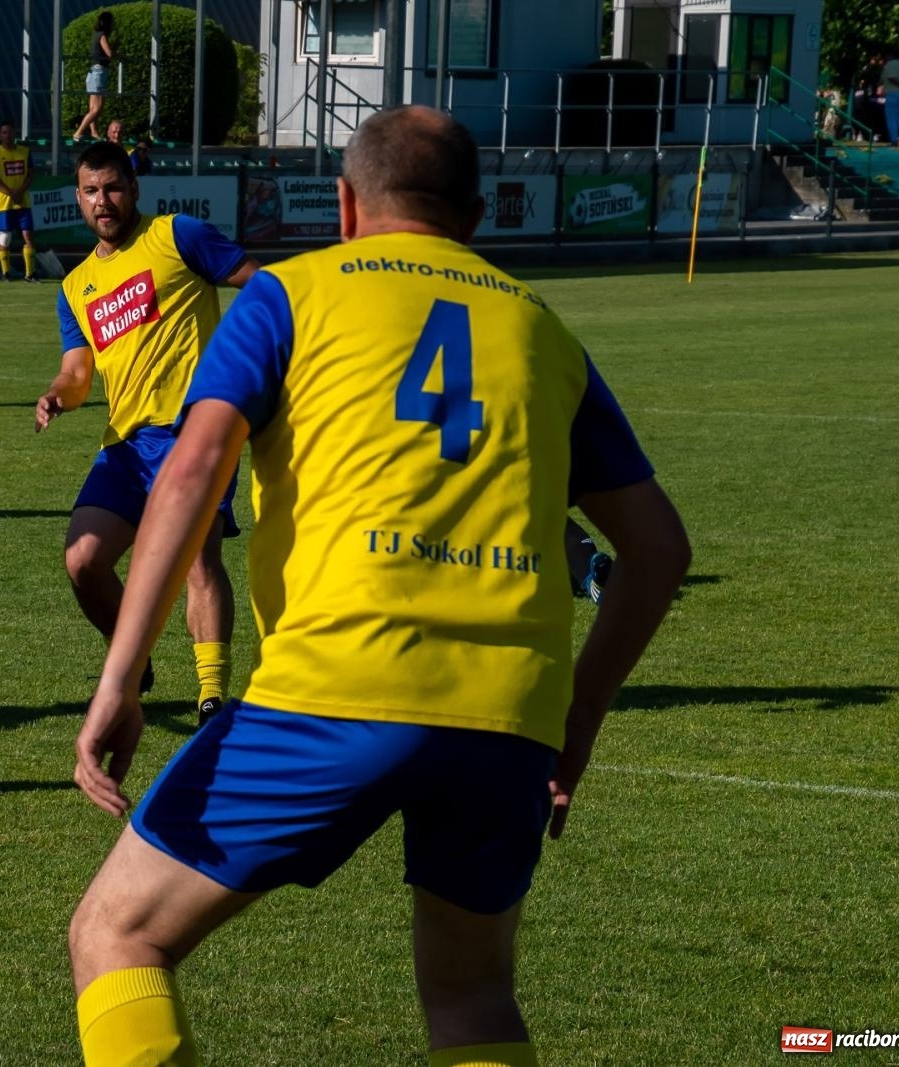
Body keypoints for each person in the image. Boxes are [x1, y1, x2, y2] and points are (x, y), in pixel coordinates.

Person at [65, 107, 690, 1067]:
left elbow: (190, 474)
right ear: (477, 217)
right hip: (508, 714)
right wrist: (579, 716)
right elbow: (657, 552)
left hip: (334, 688)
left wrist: (120, 678)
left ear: (347, 204)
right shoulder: (543, 327)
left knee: (116, 935)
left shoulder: (289, 294)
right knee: (474, 993)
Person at [37, 140, 259, 725]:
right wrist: (59, 396)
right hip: (128, 446)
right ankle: (135, 664)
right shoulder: (76, 285)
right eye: (90, 191)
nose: (102, 200)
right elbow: (78, 371)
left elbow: (259, 285)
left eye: (112, 187)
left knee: (197, 557)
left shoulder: (176, 235)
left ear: (134, 189)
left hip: (199, 428)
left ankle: (211, 697)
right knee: (83, 561)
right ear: (78, 199)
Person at [0, 121, 38, 282]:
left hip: (22, 201)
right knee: (5, 237)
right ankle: (5, 273)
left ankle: (29, 274)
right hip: (4, 202)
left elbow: (31, 174)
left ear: (14, 134)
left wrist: (21, 190)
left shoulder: (25, 152)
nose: (7, 135)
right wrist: (11, 192)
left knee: (28, 235)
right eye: (4, 132)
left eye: (10, 132)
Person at [72, 10, 115, 142]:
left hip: (93, 73)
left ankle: (94, 132)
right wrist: (121, 54)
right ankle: (78, 133)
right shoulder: (102, 35)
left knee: (92, 108)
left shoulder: (96, 34)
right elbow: (109, 54)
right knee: (97, 108)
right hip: (99, 72)